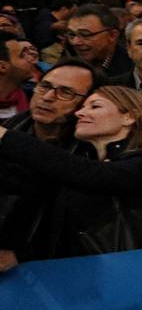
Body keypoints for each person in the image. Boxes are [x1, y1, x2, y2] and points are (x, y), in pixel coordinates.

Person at [0, 85, 142, 258]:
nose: (79, 113)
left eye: (95, 106)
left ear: (130, 117)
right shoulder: (82, 162)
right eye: (83, 107)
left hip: (130, 278)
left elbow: (93, 175)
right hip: (70, 276)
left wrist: (6, 136)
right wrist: (21, 255)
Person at [0, 61, 101, 268]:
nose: (47, 98)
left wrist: (24, 255)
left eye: (65, 93)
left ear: (87, 103)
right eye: (44, 86)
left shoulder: (92, 151)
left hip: (62, 271)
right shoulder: (10, 130)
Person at [66, 4, 133, 76]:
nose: (75, 42)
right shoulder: (67, 67)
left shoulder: (133, 69)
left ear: (112, 35)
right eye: (71, 35)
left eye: (85, 35)